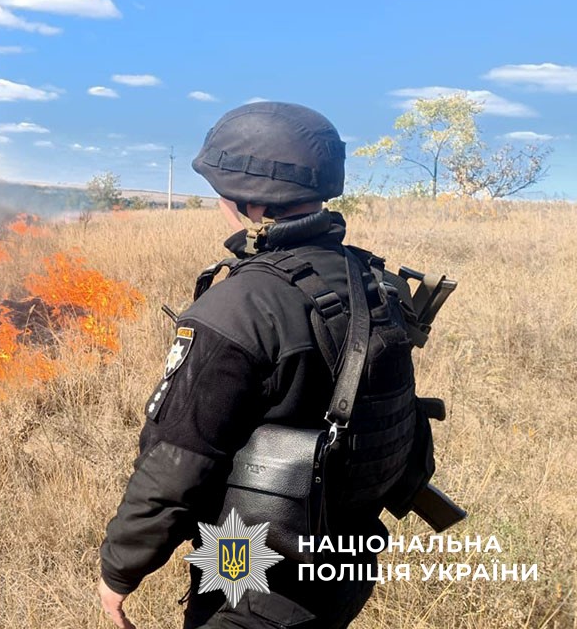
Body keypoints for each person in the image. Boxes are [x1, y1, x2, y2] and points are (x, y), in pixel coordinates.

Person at [98, 102, 421, 629]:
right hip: (349, 559)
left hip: (255, 573)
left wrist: (119, 572)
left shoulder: (241, 307)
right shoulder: (375, 281)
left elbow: (175, 467)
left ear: (243, 199)